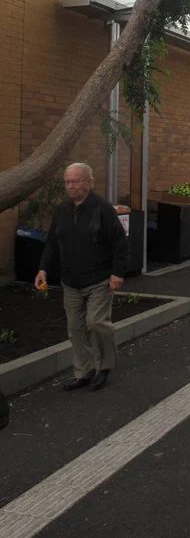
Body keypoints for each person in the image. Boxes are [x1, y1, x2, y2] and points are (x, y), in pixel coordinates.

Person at [35, 163, 128, 392]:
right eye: (67, 181)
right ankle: (83, 372)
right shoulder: (61, 211)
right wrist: (43, 269)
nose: (70, 186)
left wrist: (117, 273)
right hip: (70, 282)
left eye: (75, 181)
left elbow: (120, 243)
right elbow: (51, 243)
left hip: (99, 280)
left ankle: (104, 367)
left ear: (88, 182)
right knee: (75, 329)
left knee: (96, 323)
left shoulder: (103, 209)